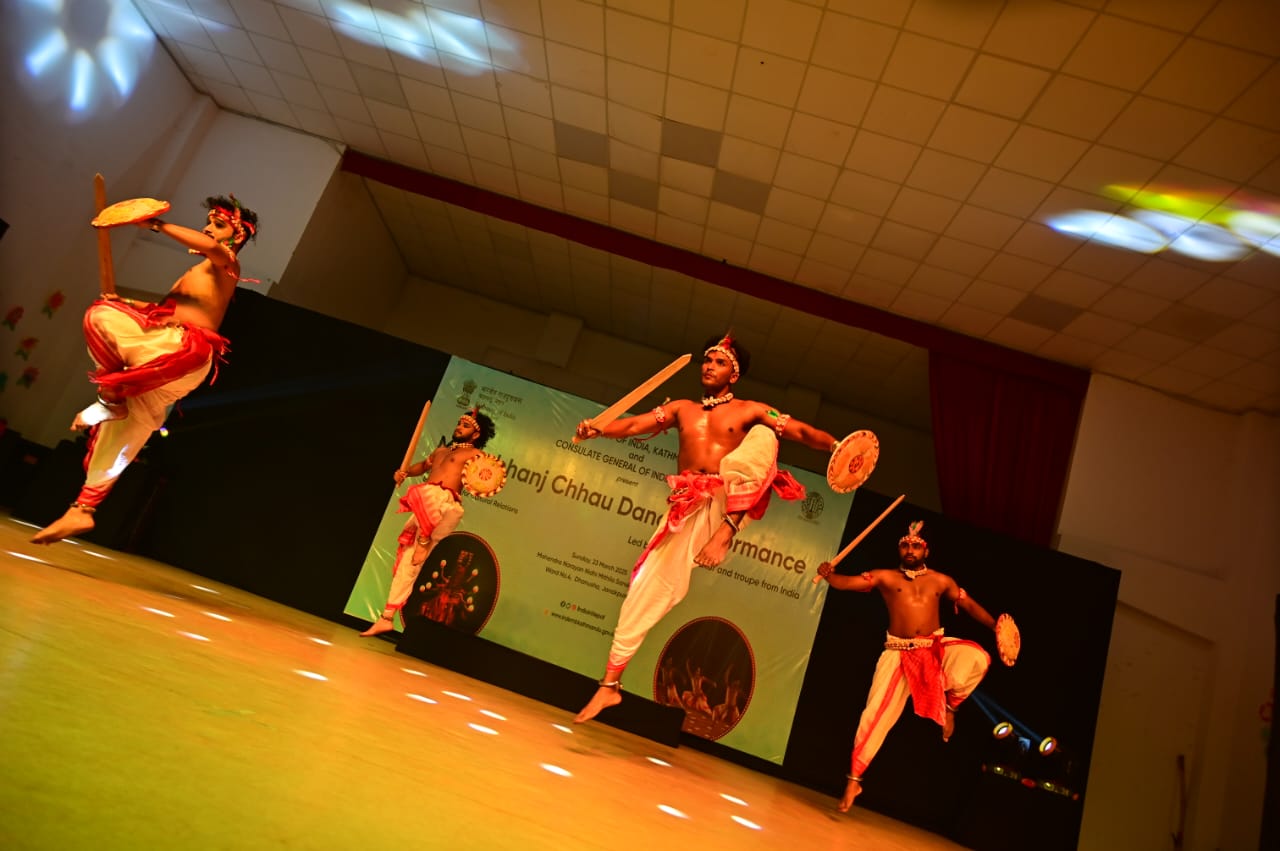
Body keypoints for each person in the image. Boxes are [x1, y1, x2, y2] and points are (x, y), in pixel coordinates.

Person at [572, 334, 838, 723]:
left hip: (724, 500)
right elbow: (634, 425)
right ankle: (610, 685)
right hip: (686, 502)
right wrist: (599, 429)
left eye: (719, 362)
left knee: (766, 434)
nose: (709, 366)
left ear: (735, 373)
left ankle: (725, 532)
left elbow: (797, 431)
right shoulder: (682, 408)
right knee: (646, 585)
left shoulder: (751, 411)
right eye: (707, 360)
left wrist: (836, 447)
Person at [32, 195, 259, 544]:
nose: (207, 229)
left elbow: (207, 249)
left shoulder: (225, 263)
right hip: (169, 362)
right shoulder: (198, 273)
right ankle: (82, 509)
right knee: (123, 433)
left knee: (99, 317)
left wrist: (157, 225)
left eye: (217, 224)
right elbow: (165, 313)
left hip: (181, 351)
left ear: (237, 236)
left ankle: (110, 397)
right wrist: (125, 302)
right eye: (208, 222)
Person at [816, 520, 997, 813]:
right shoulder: (886, 577)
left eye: (915, 545)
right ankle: (854, 779)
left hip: (932, 649)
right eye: (905, 545)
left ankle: (950, 708)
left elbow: (969, 605)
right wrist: (830, 575)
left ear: (926, 550)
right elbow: (847, 583)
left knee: (977, 657)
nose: (910, 549)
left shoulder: (941, 581)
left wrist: (995, 625)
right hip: (898, 654)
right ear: (899, 549)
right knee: (874, 716)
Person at [360, 409, 496, 637]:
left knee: (428, 494)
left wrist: (483, 480)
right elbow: (422, 467)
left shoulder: (475, 456)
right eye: (459, 423)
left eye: (465, 425)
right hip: (427, 507)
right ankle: (386, 617)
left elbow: (489, 475)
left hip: (445, 505)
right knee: (407, 563)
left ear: (475, 434)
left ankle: (425, 536)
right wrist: (403, 472)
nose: (459, 427)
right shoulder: (441, 451)